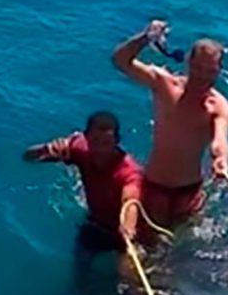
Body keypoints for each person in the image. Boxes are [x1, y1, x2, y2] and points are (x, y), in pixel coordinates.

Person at [112, 20, 228, 232]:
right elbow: (120, 61)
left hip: (189, 194)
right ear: (188, 62)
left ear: (219, 71)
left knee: (178, 258)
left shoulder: (220, 107)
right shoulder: (164, 85)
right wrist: (145, 37)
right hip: (153, 186)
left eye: (210, 71)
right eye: (198, 68)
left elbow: (220, 141)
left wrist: (222, 159)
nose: (203, 76)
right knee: (135, 251)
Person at [24, 111, 143, 268]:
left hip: (130, 233)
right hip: (96, 225)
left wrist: (128, 225)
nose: (100, 149)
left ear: (117, 142)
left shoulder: (129, 172)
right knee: (80, 267)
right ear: (85, 137)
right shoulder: (78, 149)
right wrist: (48, 148)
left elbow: (131, 199)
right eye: (94, 141)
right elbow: (28, 157)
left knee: (129, 283)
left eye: (106, 143)